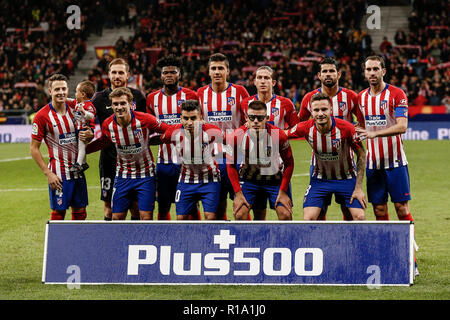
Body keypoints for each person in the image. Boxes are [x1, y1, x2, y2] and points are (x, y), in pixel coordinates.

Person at [355, 55, 419, 276]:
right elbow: (360, 127)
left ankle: (411, 258)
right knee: (379, 210)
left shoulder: (397, 94)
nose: (372, 73)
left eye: (376, 69)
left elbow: (402, 126)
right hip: (373, 165)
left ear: (384, 71)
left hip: (396, 163)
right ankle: (391, 254)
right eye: (368, 69)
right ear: (364, 73)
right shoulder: (360, 98)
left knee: (402, 209)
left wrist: (375, 133)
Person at [86, 87, 169, 220]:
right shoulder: (108, 125)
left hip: (145, 175)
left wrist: (160, 139)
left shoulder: (145, 119)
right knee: (117, 217)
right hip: (123, 176)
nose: (119, 107)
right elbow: (103, 142)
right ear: (111, 106)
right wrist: (83, 151)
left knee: (146, 217)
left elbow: (168, 130)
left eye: (123, 103)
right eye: (115, 104)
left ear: (131, 104)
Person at [298, 57, 361, 221]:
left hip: (346, 165)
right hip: (320, 166)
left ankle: (347, 243)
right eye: (324, 71)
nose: (328, 74)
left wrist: (353, 133)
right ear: (319, 75)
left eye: (331, 71)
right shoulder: (309, 98)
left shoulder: (351, 97)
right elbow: (301, 125)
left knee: (348, 211)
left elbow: (362, 123)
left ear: (338, 74)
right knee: (319, 212)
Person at [287, 93, 367, 221]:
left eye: (324, 109)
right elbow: (283, 134)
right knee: (308, 219)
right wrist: (259, 129)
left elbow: (362, 154)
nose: (320, 114)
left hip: (346, 178)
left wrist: (358, 188)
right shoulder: (305, 127)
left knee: (359, 217)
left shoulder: (346, 128)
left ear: (331, 109)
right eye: (316, 110)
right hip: (320, 179)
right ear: (311, 112)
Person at [30, 74, 93, 220]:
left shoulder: (76, 107)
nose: (61, 92)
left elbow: (86, 132)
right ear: (50, 91)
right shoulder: (42, 116)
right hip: (59, 173)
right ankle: (57, 243)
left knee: (81, 211)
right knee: (59, 212)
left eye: (63, 88)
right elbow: (34, 148)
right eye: (57, 89)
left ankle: (77, 243)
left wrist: (90, 135)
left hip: (78, 170)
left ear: (68, 89)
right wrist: (48, 173)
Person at [241, 65, 300, 220]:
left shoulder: (285, 103)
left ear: (273, 82)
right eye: (259, 78)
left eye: (266, 78)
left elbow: (297, 129)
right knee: (258, 215)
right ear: (254, 81)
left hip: (277, 167)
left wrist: (280, 134)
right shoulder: (245, 103)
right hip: (253, 168)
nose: (262, 81)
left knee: (285, 214)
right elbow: (242, 131)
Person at [92, 58, 147, 221]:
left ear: (127, 75)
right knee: (109, 208)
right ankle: (111, 243)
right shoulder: (99, 98)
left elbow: (146, 124)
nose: (117, 76)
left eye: (121, 72)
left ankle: (133, 242)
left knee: (135, 207)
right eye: (114, 72)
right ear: (108, 74)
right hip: (109, 160)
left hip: (134, 162)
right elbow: (87, 122)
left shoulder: (138, 97)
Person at [146, 54, 200, 220]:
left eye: (173, 72)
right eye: (165, 72)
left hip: (189, 160)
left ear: (179, 74)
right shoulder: (152, 98)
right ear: (161, 75)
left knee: (191, 205)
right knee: (163, 204)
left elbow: (198, 126)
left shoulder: (191, 95)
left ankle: (196, 237)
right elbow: (150, 129)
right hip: (165, 162)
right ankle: (166, 237)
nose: (169, 75)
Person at [197, 53, 250, 220]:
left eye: (221, 68)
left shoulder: (240, 91)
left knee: (241, 209)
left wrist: (236, 135)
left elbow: (248, 122)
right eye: (214, 68)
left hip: (237, 158)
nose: (217, 71)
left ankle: (246, 241)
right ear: (209, 71)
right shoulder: (200, 94)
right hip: (211, 160)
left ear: (228, 71)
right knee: (217, 210)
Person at [226, 100, 294, 221]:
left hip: (274, 180)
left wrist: (283, 191)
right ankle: (250, 239)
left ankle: (283, 240)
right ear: (246, 118)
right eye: (252, 117)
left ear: (267, 118)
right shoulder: (237, 136)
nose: (255, 121)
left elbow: (289, 164)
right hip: (249, 179)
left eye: (260, 118)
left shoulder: (279, 135)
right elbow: (230, 165)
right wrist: (238, 193)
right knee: (240, 214)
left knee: (286, 214)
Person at [161, 100, 222, 220]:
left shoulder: (213, 131)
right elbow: (161, 139)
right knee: (180, 218)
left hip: (210, 179)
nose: (189, 122)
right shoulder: (172, 132)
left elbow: (229, 144)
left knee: (210, 217)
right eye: (185, 118)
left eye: (193, 118)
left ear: (201, 118)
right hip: (186, 179)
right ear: (180, 118)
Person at [70, 80, 96, 173]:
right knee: (80, 147)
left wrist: (84, 112)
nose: (75, 93)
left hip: (84, 129)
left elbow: (91, 116)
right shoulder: (77, 103)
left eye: (77, 91)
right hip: (77, 128)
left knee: (81, 147)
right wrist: (63, 98)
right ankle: (84, 163)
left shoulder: (89, 106)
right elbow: (70, 101)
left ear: (83, 94)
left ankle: (78, 164)